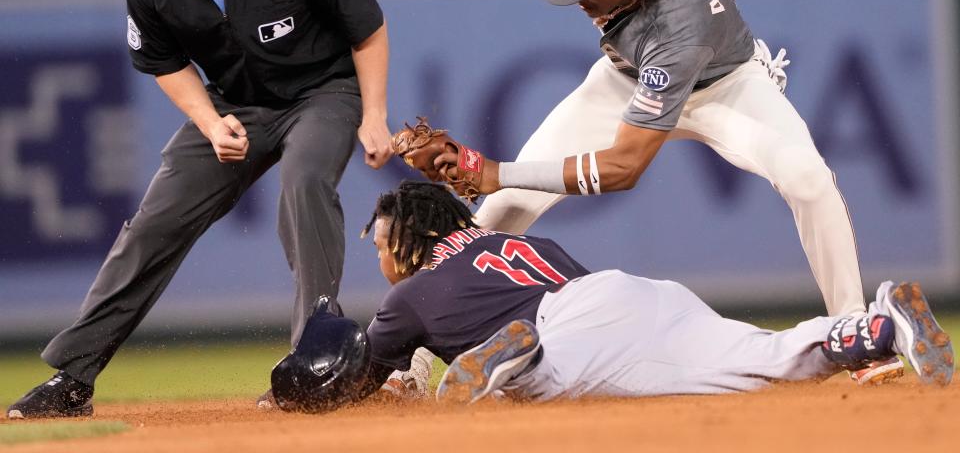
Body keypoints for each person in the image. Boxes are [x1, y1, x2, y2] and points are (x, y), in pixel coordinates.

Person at [430, 0, 899, 383]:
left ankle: (855, 331)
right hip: (623, 81)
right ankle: (419, 352)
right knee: (504, 207)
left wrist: (495, 171)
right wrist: (502, 184)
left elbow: (623, 166)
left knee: (808, 178)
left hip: (726, 88)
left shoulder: (677, 25)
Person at [6, 0, 393, 420]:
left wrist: (375, 115)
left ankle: (314, 363)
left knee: (304, 181)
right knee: (155, 222)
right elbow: (163, 61)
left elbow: (367, 30)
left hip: (323, 93)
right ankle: (74, 378)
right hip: (234, 105)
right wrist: (210, 123)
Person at [268, 182, 952, 413]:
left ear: (406, 243)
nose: (381, 259)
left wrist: (292, 396)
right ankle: (878, 325)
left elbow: (357, 376)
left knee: (535, 383)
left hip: (552, 335)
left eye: (382, 246)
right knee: (768, 358)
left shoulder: (409, 296)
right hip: (626, 294)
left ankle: (519, 362)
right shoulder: (516, 246)